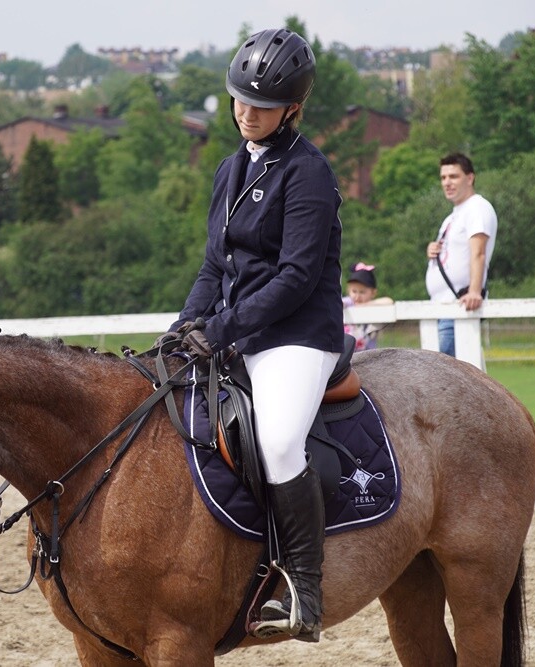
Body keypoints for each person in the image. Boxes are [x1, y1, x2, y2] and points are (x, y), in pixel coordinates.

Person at [158, 28, 342, 642]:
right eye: (239, 100)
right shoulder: (231, 168)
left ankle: (304, 588)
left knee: (281, 440)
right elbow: (215, 266)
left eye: (261, 106)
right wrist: (183, 328)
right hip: (238, 331)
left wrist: (220, 329)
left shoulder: (308, 172)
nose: (246, 114)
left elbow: (294, 278)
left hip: (297, 337)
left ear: (292, 107)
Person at [425, 153, 497, 357]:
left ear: (470, 178)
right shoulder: (452, 217)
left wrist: (475, 291)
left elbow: (479, 252)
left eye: (453, 176)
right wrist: (433, 250)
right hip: (441, 307)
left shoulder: (477, 207)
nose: (447, 183)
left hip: (459, 306)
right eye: (443, 178)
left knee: (445, 379)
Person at [342, 262, 393, 351]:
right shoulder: (349, 302)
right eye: (354, 291)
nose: (357, 296)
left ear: (373, 293)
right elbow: (339, 303)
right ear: (348, 290)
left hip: (368, 352)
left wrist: (364, 305)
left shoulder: (372, 305)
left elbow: (389, 301)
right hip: (347, 351)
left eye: (362, 292)